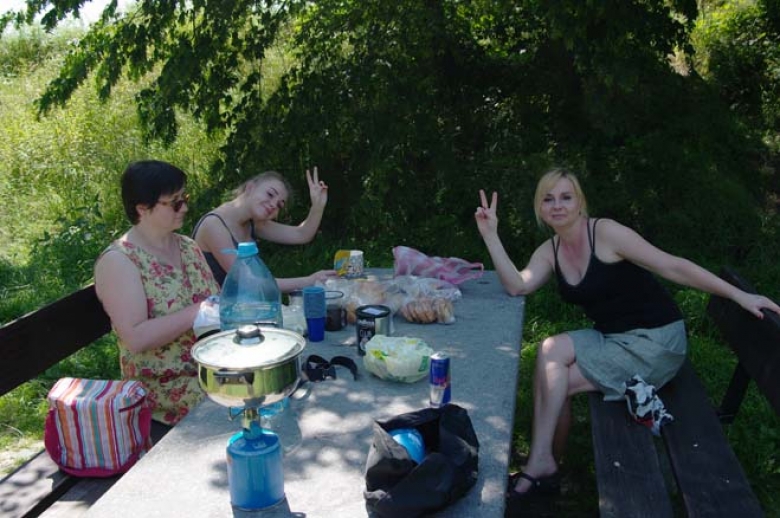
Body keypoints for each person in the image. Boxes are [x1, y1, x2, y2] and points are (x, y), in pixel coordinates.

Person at [474, 168, 780, 504]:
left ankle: (542, 467)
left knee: (556, 381)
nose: (557, 205)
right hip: (614, 337)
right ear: (539, 207)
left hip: (656, 341)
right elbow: (518, 285)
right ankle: (546, 464)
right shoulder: (550, 250)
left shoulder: (605, 233)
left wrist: (739, 295)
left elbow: (672, 266)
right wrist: (490, 234)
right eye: (548, 199)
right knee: (549, 350)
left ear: (580, 202)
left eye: (566, 197)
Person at [94, 160, 220, 426]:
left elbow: (216, 301)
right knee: (250, 398)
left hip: (211, 367)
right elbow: (136, 338)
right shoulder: (119, 261)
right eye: (174, 202)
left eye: (184, 198)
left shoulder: (187, 246)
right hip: (163, 389)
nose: (184, 207)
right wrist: (198, 311)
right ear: (142, 208)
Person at [192, 168, 336, 290]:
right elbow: (249, 282)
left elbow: (302, 234)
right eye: (270, 194)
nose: (273, 204)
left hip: (240, 307)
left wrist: (318, 205)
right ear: (250, 187)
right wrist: (309, 281)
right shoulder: (214, 225)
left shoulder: (253, 222)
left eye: (279, 205)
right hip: (209, 312)